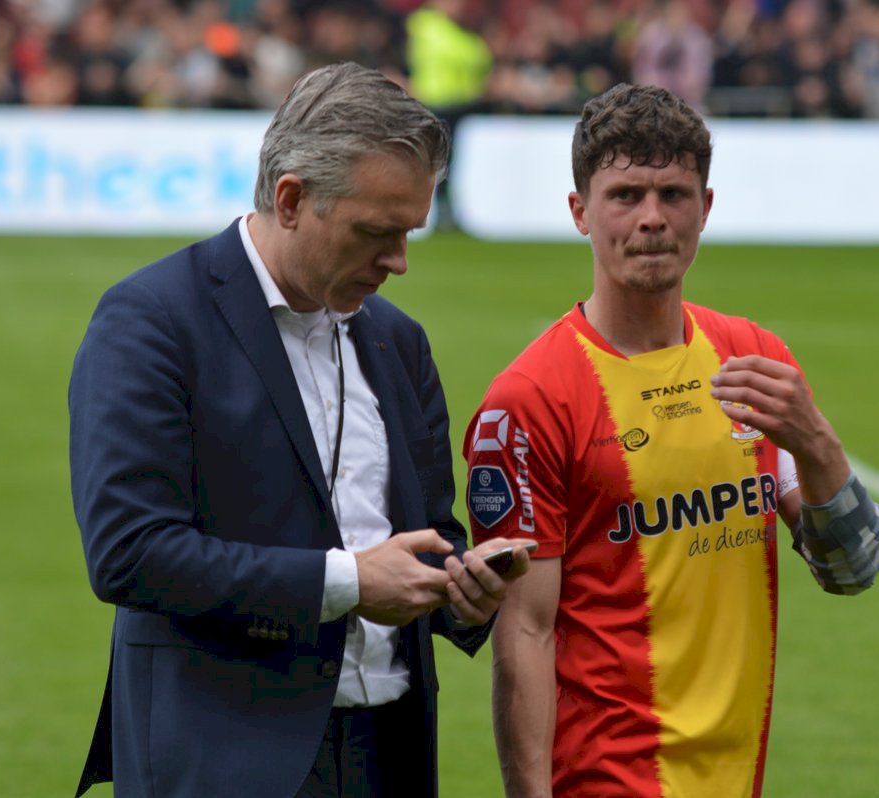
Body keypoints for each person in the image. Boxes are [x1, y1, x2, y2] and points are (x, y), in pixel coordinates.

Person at [69, 61, 533, 798]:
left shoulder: (398, 339)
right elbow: (130, 552)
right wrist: (350, 581)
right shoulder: (152, 320)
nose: (399, 262)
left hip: (388, 754)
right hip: (225, 761)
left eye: (409, 232)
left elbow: (426, 532)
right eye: (376, 232)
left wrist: (460, 589)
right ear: (291, 199)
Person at [463, 83, 879, 797]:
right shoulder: (530, 400)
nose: (652, 218)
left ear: (706, 207)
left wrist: (816, 441)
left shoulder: (752, 357)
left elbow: (852, 570)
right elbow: (524, 634)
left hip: (736, 773)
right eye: (625, 195)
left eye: (673, 194)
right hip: (606, 775)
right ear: (580, 212)